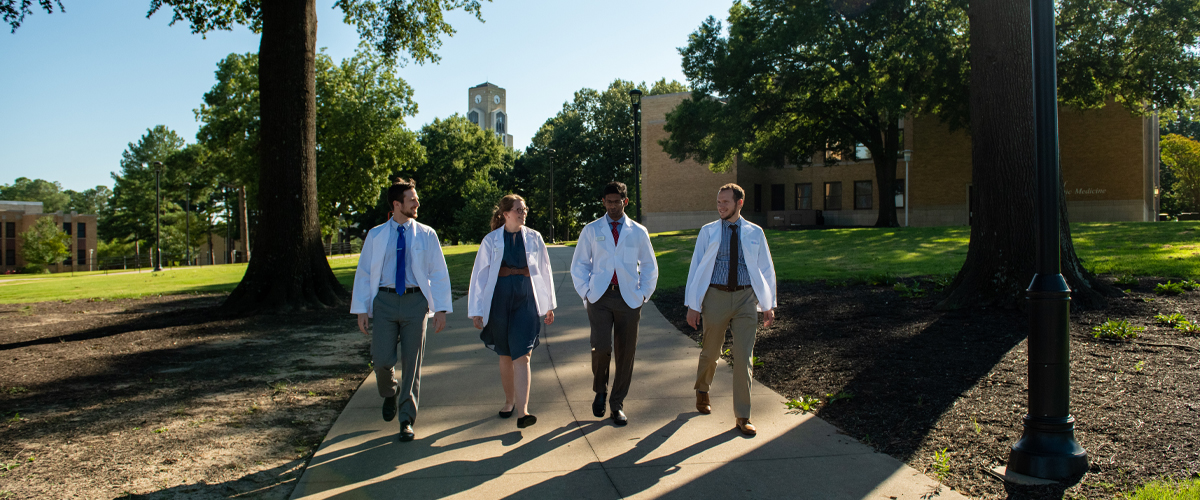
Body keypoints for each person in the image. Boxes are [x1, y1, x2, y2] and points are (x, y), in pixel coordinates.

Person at [350, 179, 453, 442]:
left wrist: (440, 309)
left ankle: (406, 419)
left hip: (415, 302)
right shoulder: (375, 235)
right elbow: (363, 273)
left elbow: (439, 273)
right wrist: (362, 308)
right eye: (411, 199)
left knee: (412, 363)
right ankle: (389, 393)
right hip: (383, 303)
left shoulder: (427, 234)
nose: (417, 203)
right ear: (397, 204)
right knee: (382, 362)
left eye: (416, 199)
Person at [684, 183, 777, 436]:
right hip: (715, 296)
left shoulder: (755, 232)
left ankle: (743, 415)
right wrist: (693, 305)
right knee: (710, 351)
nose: (720, 206)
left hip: (747, 298)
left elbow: (766, 268)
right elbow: (695, 268)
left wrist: (768, 305)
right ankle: (702, 389)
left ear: (739, 203)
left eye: (725, 202)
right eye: (718, 202)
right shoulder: (708, 232)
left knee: (744, 357)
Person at [570, 181, 658, 426]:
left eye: (616, 202)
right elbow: (579, 265)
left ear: (625, 202)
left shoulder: (638, 231)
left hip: (629, 299)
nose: (612, 206)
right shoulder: (591, 230)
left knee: (625, 353)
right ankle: (600, 390)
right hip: (599, 297)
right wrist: (586, 292)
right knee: (600, 347)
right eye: (608, 202)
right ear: (603, 202)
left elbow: (650, 265)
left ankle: (617, 404)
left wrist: (643, 295)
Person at [468, 194, 557, 429]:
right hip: (499, 300)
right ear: (506, 214)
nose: (523, 212)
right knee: (505, 354)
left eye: (524, 209)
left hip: (526, 299)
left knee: (523, 354)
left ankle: (523, 411)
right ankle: (509, 401)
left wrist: (548, 305)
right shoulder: (491, 240)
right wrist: (477, 310)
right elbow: (480, 275)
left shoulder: (535, 238)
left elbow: (545, 271)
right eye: (518, 209)